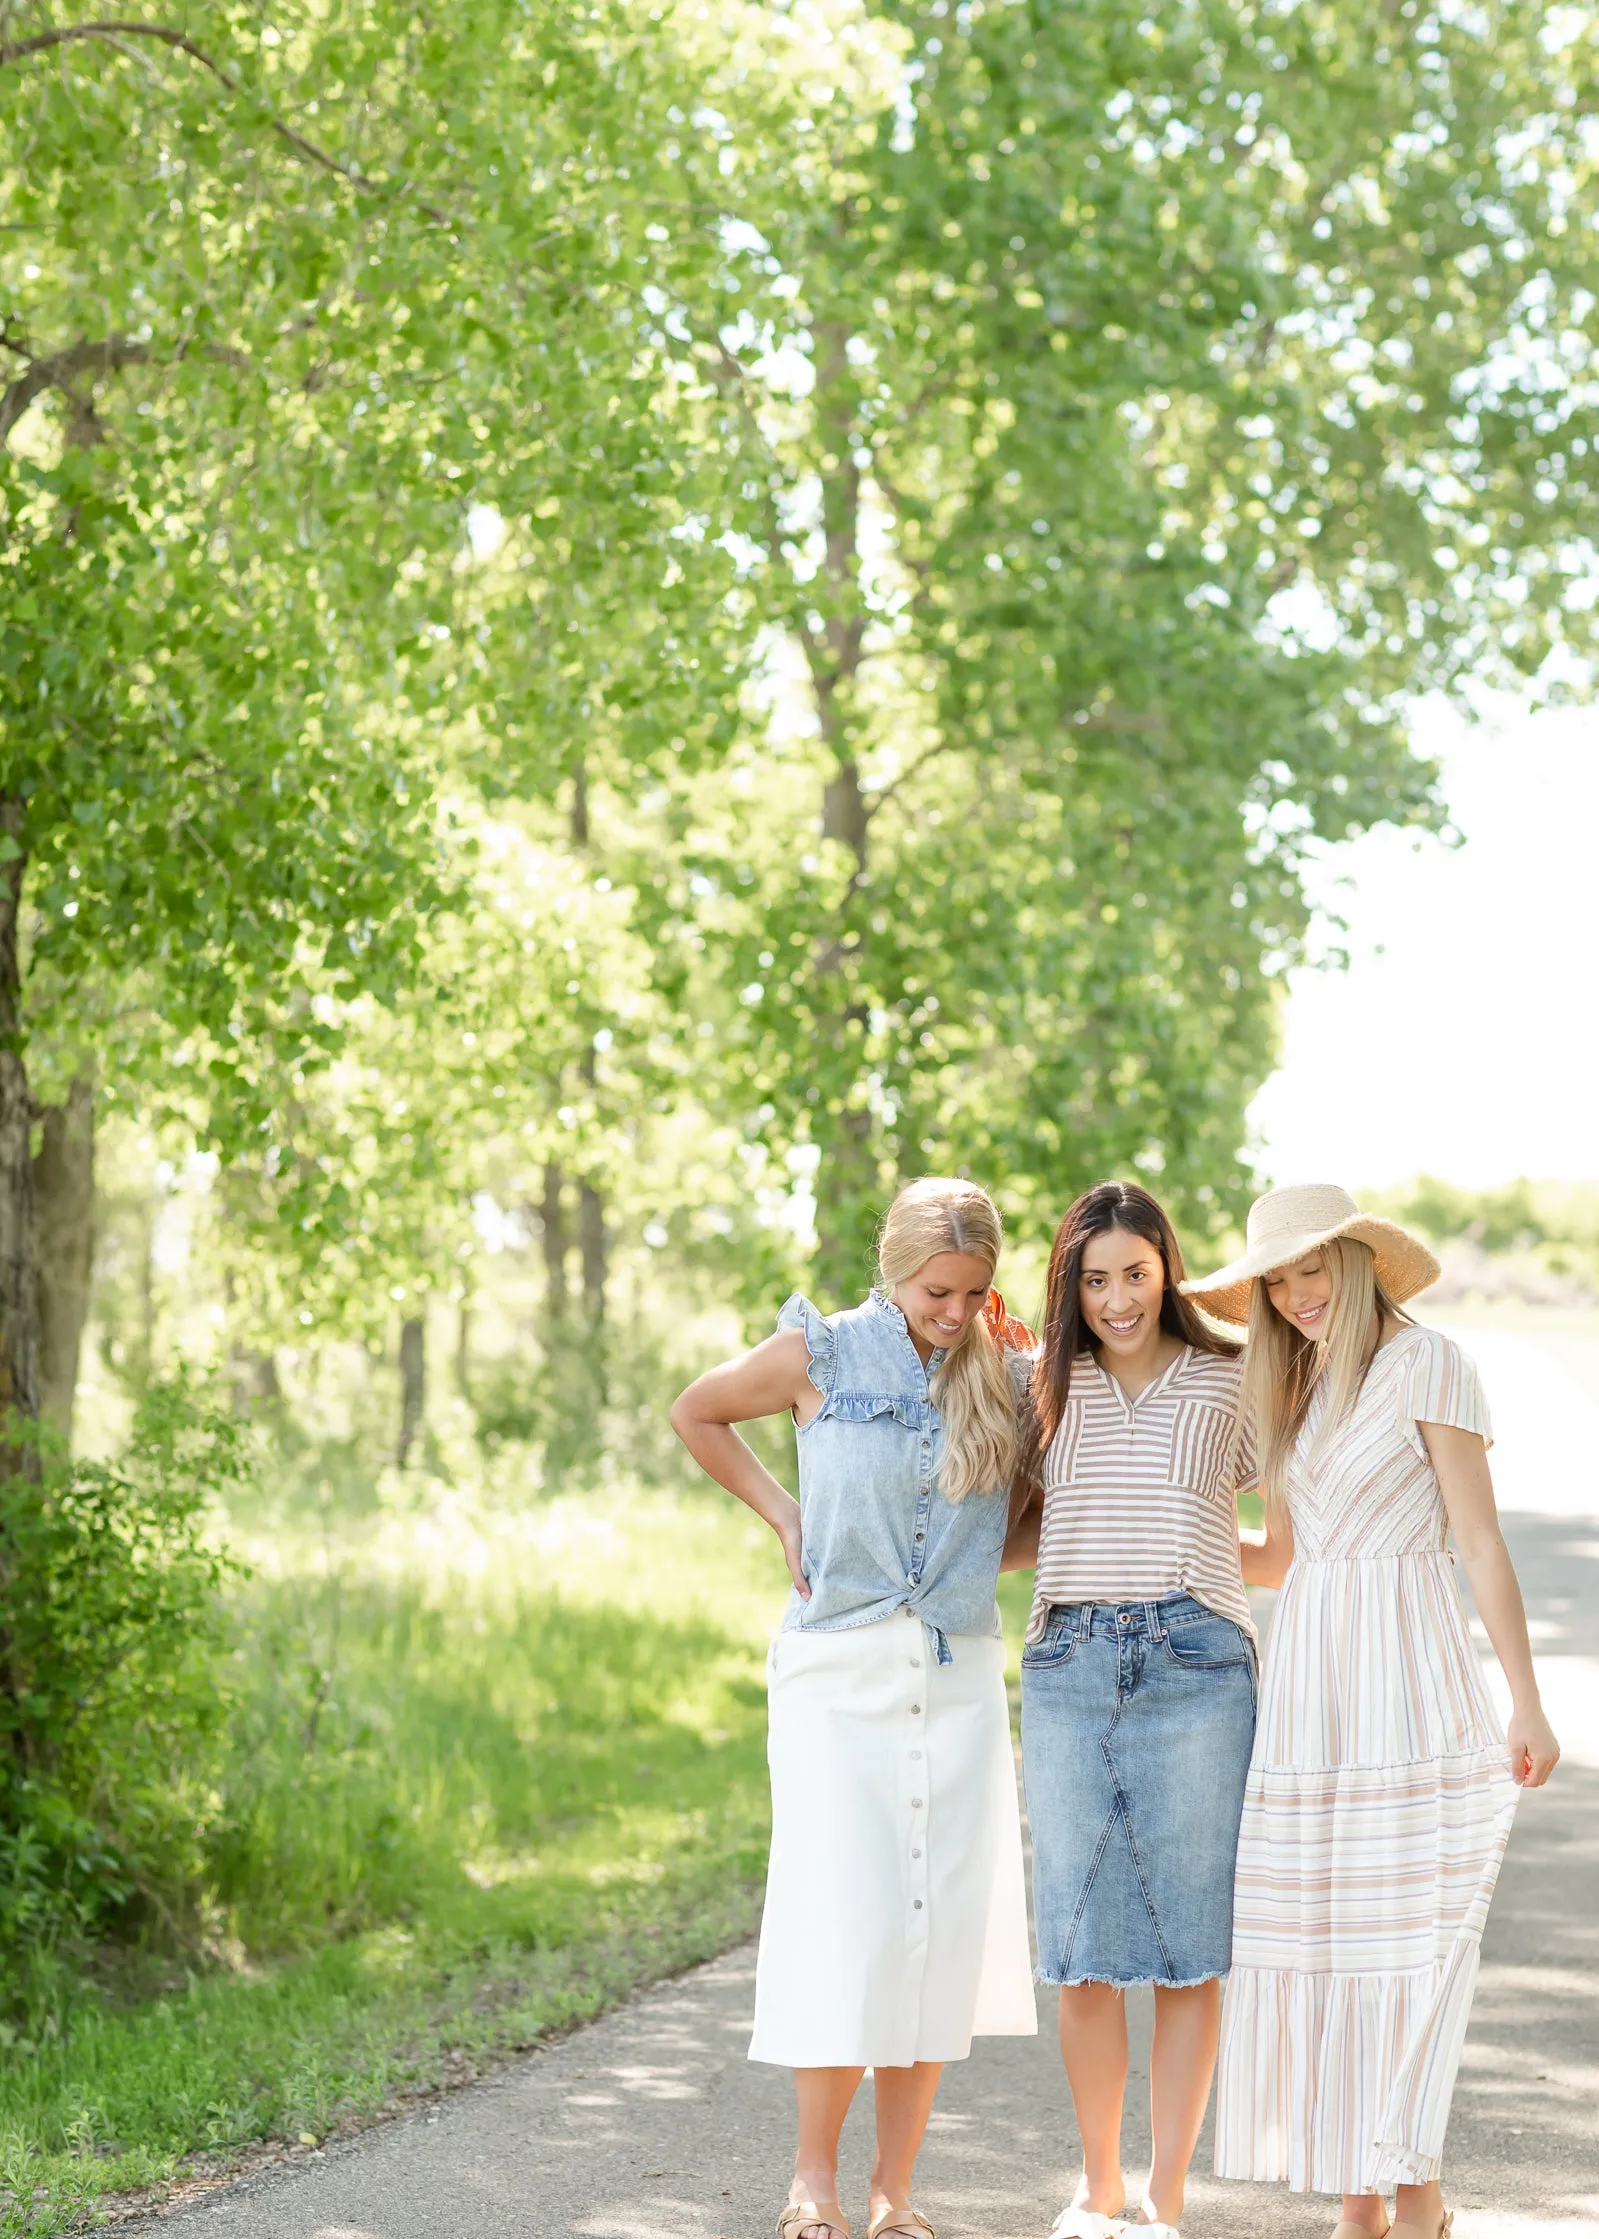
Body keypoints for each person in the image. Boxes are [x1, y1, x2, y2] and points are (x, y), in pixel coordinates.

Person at [1183, 1183, 1560, 2239]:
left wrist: (1525, 1700)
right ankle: (1384, 2201)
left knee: (1416, 1936)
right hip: (1312, 1678)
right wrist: (1167, 1522)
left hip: (1408, 1660)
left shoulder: (1429, 1362)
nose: (1299, 1294)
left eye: (1314, 1269)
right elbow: (1283, 1557)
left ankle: (1395, 2197)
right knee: (1325, 1937)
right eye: (1279, 1278)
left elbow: (1479, 1540)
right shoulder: (1292, 1380)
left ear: (1355, 1262)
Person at [670, 1177, 1038, 2239]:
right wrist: (784, 1511)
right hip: (837, 1678)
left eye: (974, 1292)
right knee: (849, 1919)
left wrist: (970, 1571)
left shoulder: (1009, 1375)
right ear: (897, 1269)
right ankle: (813, 2182)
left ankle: (893, 2194)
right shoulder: (819, 1354)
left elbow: (1036, 1520)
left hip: (957, 1673)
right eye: (938, 1291)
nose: (956, 1312)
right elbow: (697, 1410)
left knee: (935, 1929)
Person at [1006, 1181, 1259, 2239]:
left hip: (1199, 1662)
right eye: (1095, 1277)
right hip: (1068, 1661)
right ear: (1072, 1282)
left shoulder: (1233, 1373)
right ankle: (1098, 2184)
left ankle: (1168, 2193)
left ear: (1168, 1269)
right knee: (1081, 1945)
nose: (1117, 1298)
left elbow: (1289, 1528)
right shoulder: (1040, 1383)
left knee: (1190, 1946)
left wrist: (1193, 1559)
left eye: (1137, 1274)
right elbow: (1007, 1529)